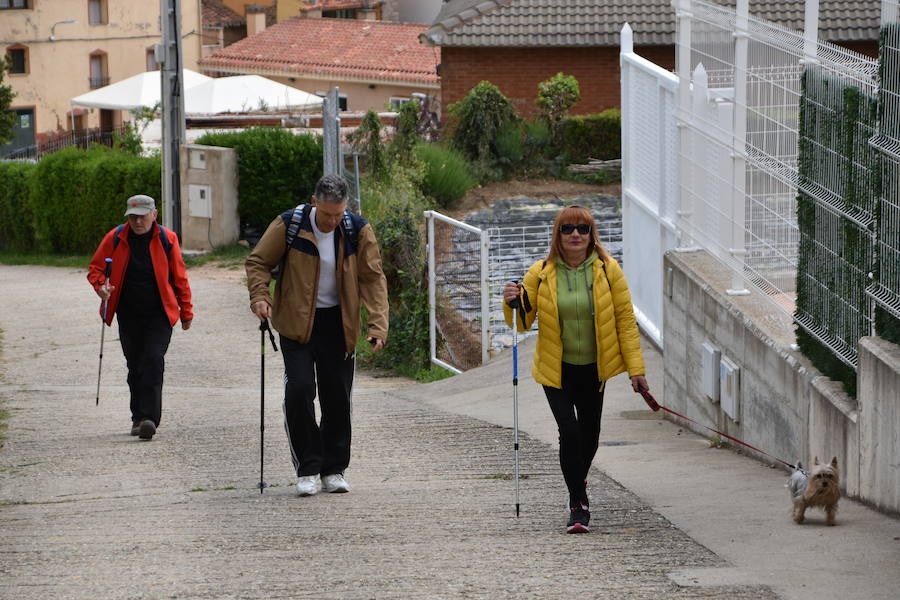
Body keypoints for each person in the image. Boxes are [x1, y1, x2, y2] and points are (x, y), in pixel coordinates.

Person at [502, 205, 649, 534]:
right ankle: (578, 503)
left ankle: (576, 478)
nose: (575, 235)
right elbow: (522, 322)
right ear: (558, 234)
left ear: (591, 236)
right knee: (569, 432)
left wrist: (635, 370)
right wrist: (512, 300)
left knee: (590, 436)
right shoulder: (540, 272)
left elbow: (625, 321)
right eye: (567, 229)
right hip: (556, 369)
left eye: (582, 229)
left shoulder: (609, 271)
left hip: (594, 369)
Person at [245, 174, 388, 497]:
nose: (332, 221)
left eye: (338, 214)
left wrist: (378, 325)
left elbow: (373, 279)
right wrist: (260, 296)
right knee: (299, 391)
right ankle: (308, 467)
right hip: (296, 325)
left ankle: (333, 468)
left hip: (340, 325)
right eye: (326, 214)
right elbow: (258, 262)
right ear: (314, 203)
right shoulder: (290, 226)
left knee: (337, 398)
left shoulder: (357, 230)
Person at [87, 194, 193, 441]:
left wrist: (186, 311)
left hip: (159, 314)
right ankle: (137, 417)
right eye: (132, 217)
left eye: (142, 216)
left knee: (153, 361)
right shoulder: (116, 237)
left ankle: (149, 419)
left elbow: (180, 278)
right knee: (134, 364)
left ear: (154, 215)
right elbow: (96, 269)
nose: (137, 222)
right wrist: (102, 287)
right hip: (128, 312)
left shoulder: (167, 239)